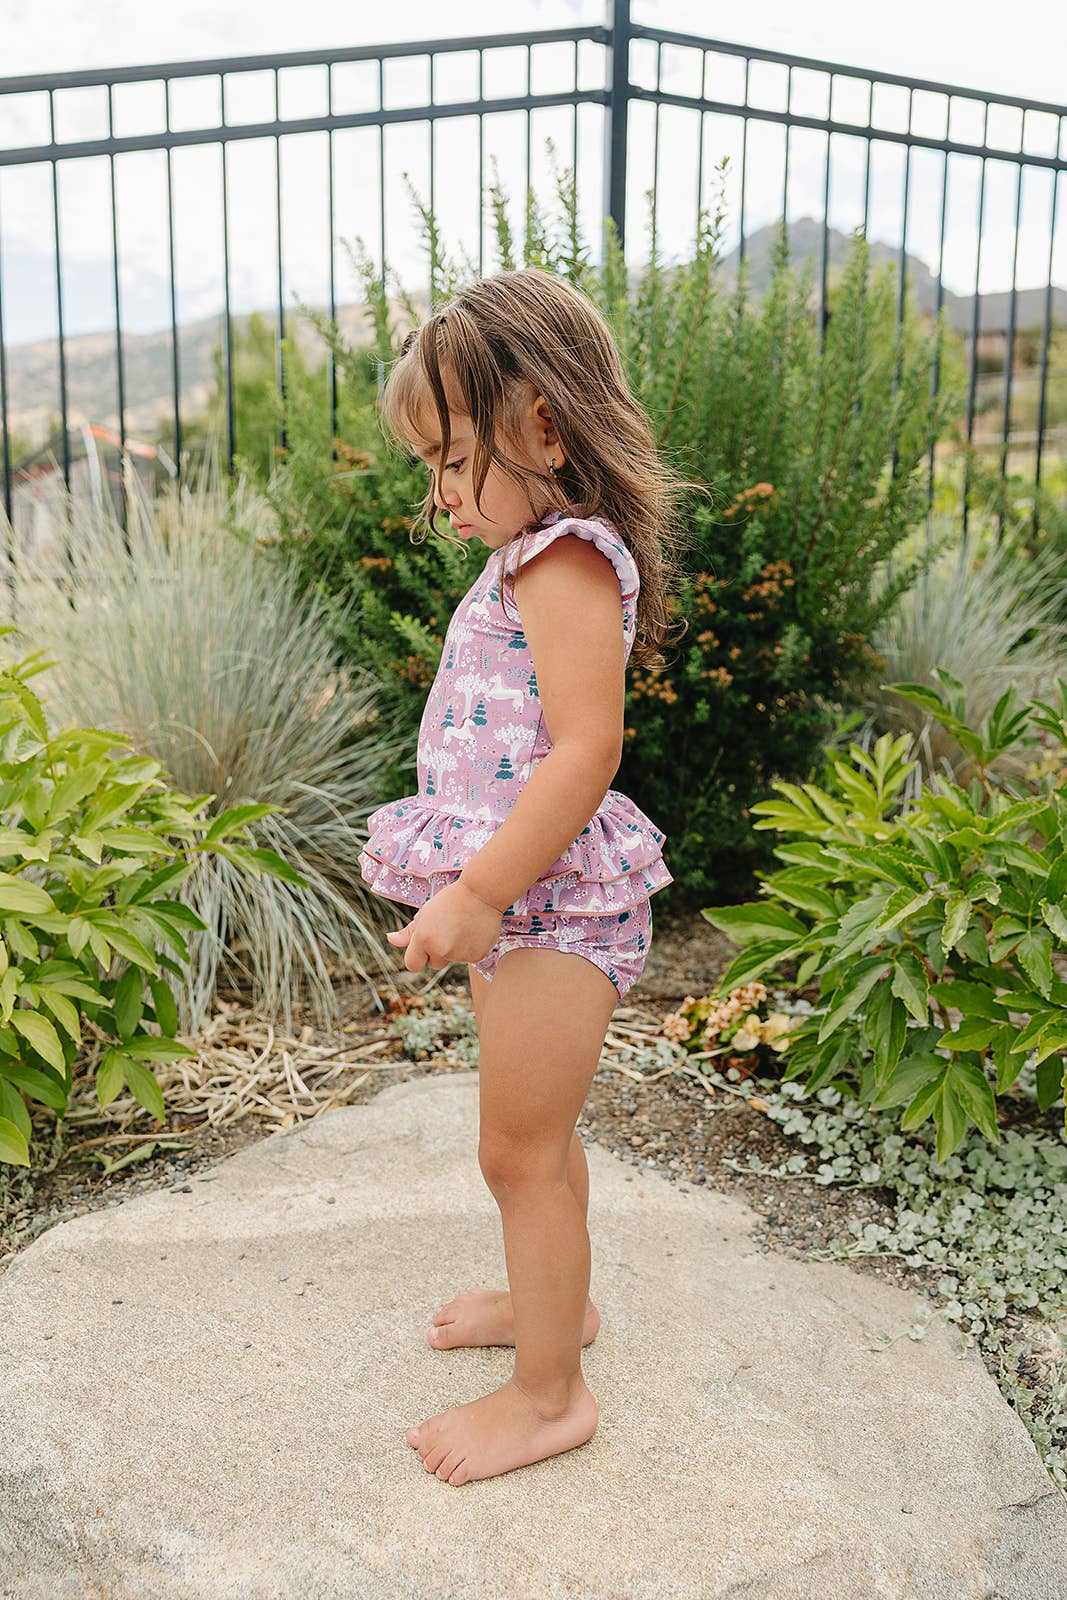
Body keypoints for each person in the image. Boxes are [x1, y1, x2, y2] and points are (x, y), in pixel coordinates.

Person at [358, 266, 690, 1487]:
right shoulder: (529, 554)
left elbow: (586, 749)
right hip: (526, 896)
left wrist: (482, 891)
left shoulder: (565, 561)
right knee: (534, 1141)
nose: (441, 492)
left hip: (550, 901)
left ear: (541, 426)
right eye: (430, 468)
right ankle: (559, 1303)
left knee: (517, 1153)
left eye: (454, 460)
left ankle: (550, 1395)